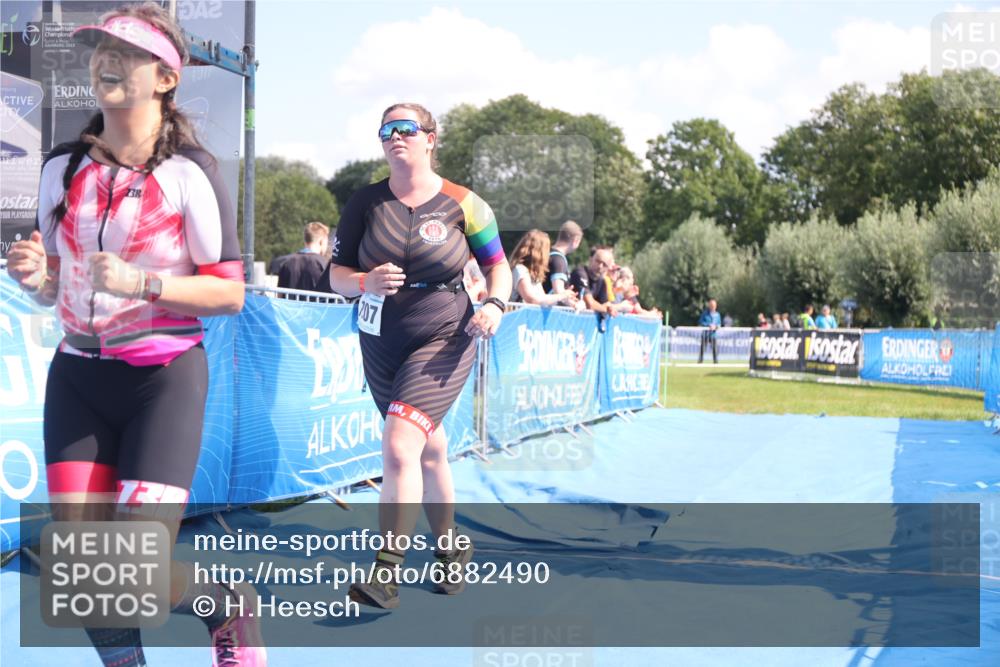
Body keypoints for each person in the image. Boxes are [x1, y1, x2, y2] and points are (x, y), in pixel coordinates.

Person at [4, 5, 264, 666]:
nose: (106, 61)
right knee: (86, 574)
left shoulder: (191, 171)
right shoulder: (61, 168)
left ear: (166, 78)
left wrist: (143, 283)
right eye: (98, 49)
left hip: (163, 378)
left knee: (132, 567)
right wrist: (37, 274)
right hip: (79, 377)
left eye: (126, 51)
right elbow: (56, 279)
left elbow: (229, 292)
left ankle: (225, 600)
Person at [327, 103, 512, 609]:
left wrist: (495, 304)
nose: (394, 137)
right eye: (386, 130)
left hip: (445, 336)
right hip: (381, 341)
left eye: (406, 128)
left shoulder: (465, 203)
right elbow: (336, 275)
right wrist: (364, 280)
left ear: (431, 138)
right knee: (428, 450)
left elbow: (499, 268)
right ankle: (453, 547)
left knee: (400, 445)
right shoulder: (364, 201)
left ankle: (386, 571)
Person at [509, 229, 577, 306]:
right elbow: (532, 299)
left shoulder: (533, 274)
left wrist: (570, 301)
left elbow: (542, 298)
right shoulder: (520, 269)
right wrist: (561, 296)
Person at [276, 221, 329, 292]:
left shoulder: (287, 262)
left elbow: (280, 295)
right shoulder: (324, 263)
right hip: (315, 303)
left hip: (290, 303)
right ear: (321, 241)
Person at [568, 245, 618, 317]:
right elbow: (590, 304)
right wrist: (605, 309)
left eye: (604, 264)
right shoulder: (580, 273)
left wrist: (609, 308)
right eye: (598, 261)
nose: (600, 266)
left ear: (608, 268)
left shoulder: (602, 281)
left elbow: (607, 304)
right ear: (590, 259)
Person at [542, 220, 582, 294]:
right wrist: (569, 297)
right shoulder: (559, 260)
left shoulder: (547, 252)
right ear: (575, 240)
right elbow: (558, 291)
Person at [698, 298, 721, 363]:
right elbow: (701, 322)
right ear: (709, 306)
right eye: (711, 305)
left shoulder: (717, 314)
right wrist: (709, 325)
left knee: (715, 349)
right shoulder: (704, 314)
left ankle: (715, 362)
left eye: (714, 305)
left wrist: (715, 326)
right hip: (705, 334)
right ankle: (700, 361)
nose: (713, 307)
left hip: (713, 335)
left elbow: (719, 324)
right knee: (702, 349)